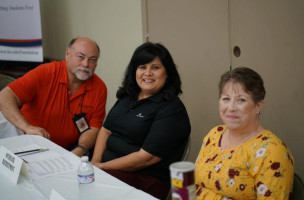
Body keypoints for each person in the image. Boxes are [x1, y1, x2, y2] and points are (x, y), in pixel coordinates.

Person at [91, 42, 191, 199]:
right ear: (134, 71)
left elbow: (146, 158)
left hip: (146, 179)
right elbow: (106, 129)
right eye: (142, 67)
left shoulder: (172, 109)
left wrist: (101, 167)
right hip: (108, 169)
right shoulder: (128, 96)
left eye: (155, 67)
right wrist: (94, 162)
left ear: (167, 73)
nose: (148, 73)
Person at [195, 67, 294, 199]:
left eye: (241, 100)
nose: (231, 108)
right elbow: (192, 184)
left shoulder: (272, 152)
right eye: (226, 99)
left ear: (258, 105)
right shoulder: (214, 134)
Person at [0, 37, 107, 157]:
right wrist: (28, 127)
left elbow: (93, 128)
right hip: (28, 142)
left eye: (92, 60)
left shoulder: (100, 88)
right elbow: (5, 96)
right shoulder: (46, 73)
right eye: (80, 57)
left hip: (68, 149)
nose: (86, 64)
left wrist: (80, 149)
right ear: (67, 54)